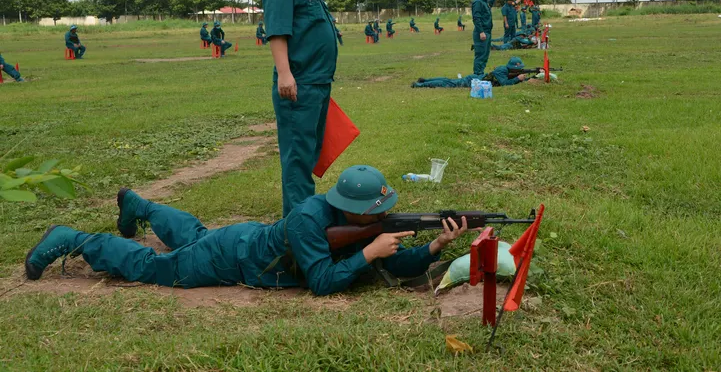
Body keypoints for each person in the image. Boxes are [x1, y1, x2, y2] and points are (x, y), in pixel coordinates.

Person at [25, 166, 469, 297]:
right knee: (156, 267)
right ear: (352, 212)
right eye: (376, 215)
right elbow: (321, 282)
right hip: (230, 256)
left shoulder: (360, 227)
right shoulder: (309, 220)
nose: (382, 220)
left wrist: (435, 244)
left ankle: (141, 206)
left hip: (240, 238)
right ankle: (75, 238)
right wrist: (369, 253)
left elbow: (398, 261)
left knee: (193, 232)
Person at [262, 0, 339, 217]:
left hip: (317, 82)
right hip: (298, 84)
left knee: (309, 154)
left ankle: (304, 216)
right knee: (297, 158)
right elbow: (278, 33)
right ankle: (298, 227)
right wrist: (285, 73)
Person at [412, 57, 532, 88]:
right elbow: (505, 83)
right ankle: (420, 84)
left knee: (448, 80)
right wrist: (518, 79)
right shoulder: (502, 71)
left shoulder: (505, 69)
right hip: (473, 81)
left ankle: (425, 80)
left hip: (476, 78)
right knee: (446, 83)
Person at [471, 0, 496, 75]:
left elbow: (488, 6)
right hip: (481, 32)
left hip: (487, 31)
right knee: (481, 55)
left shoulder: (483, 0)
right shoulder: (477, 2)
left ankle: (480, 73)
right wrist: (481, 32)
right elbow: (476, 18)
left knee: (485, 54)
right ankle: (477, 75)